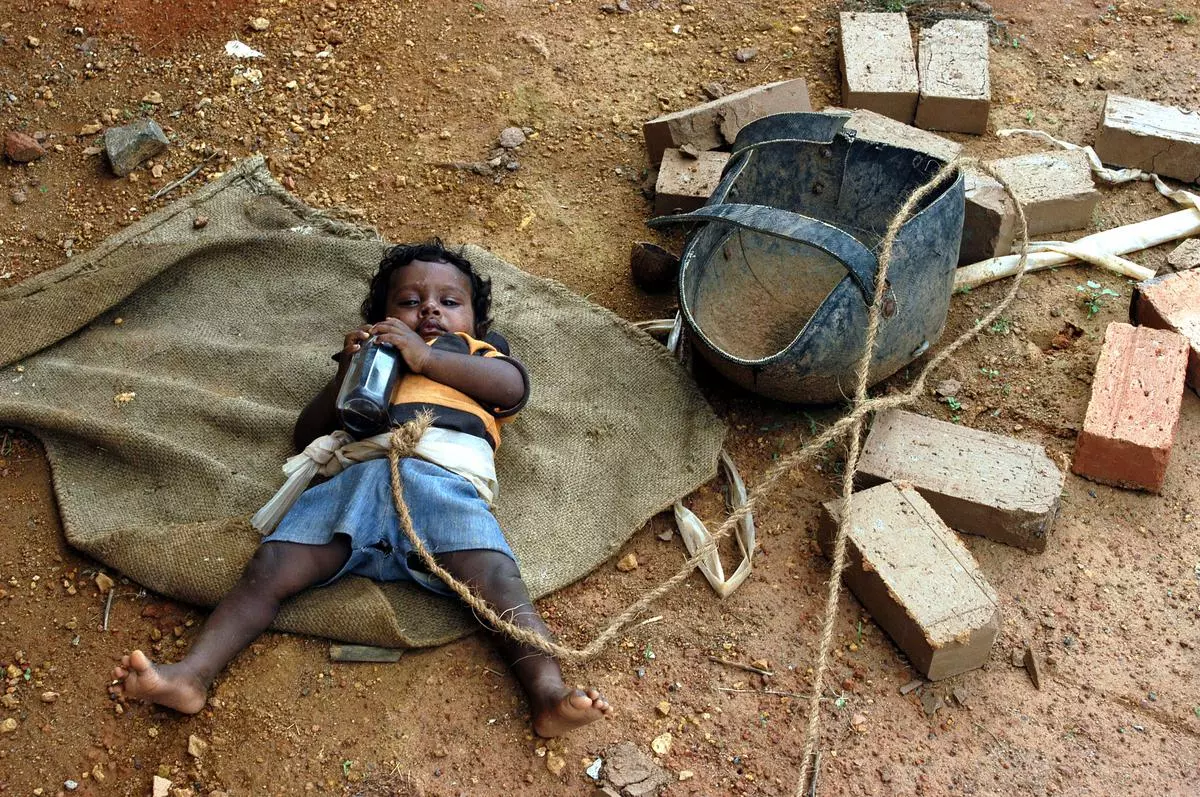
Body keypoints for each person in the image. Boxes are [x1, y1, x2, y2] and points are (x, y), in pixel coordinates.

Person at [111, 240, 611, 737]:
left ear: (479, 326)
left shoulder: (476, 354)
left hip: (442, 482)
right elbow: (306, 435)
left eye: (449, 302)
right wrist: (345, 376)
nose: (429, 309)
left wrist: (425, 357)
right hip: (357, 482)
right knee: (269, 568)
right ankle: (192, 675)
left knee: (498, 581)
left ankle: (546, 692)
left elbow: (511, 389)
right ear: (382, 320)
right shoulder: (373, 360)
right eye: (410, 303)